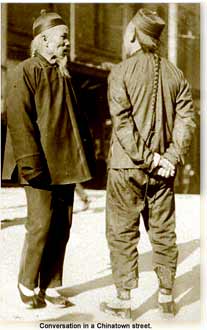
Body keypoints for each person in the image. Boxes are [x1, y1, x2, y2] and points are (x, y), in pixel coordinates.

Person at [100, 8, 196, 319]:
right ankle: (167, 297)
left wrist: (149, 158)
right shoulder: (176, 75)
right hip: (163, 173)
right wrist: (169, 157)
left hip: (126, 168)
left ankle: (124, 301)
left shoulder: (120, 72)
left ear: (132, 36)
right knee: (163, 231)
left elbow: (123, 124)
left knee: (122, 231)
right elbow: (187, 120)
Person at [5, 10, 95, 309]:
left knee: (61, 226)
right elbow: (20, 121)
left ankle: (52, 284)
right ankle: (27, 283)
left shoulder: (63, 74)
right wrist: (31, 164)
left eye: (67, 38)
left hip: (65, 165)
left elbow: (75, 122)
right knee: (40, 224)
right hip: (39, 165)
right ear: (43, 40)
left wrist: (84, 159)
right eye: (63, 38)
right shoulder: (24, 71)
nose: (67, 43)